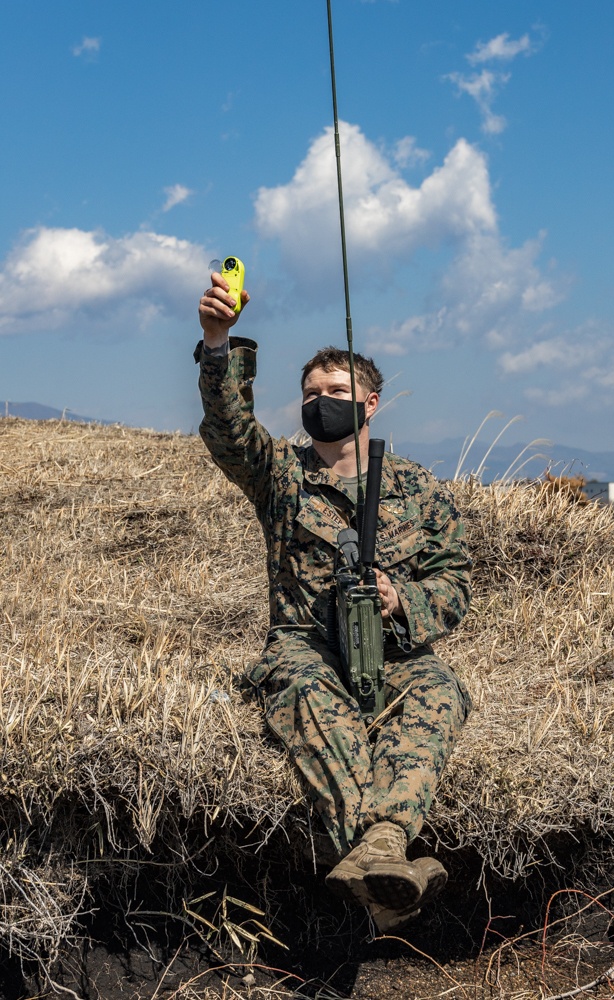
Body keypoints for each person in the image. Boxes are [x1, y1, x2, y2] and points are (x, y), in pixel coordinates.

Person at [196, 269, 472, 931]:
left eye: (337, 391)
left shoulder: (419, 490)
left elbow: (453, 585)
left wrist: (399, 599)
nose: (321, 400)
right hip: (307, 649)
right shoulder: (280, 476)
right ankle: (384, 851)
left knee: (439, 690)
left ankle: (374, 851)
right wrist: (217, 342)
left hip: (395, 654)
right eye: (311, 393)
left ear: (370, 403)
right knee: (303, 694)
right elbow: (230, 430)